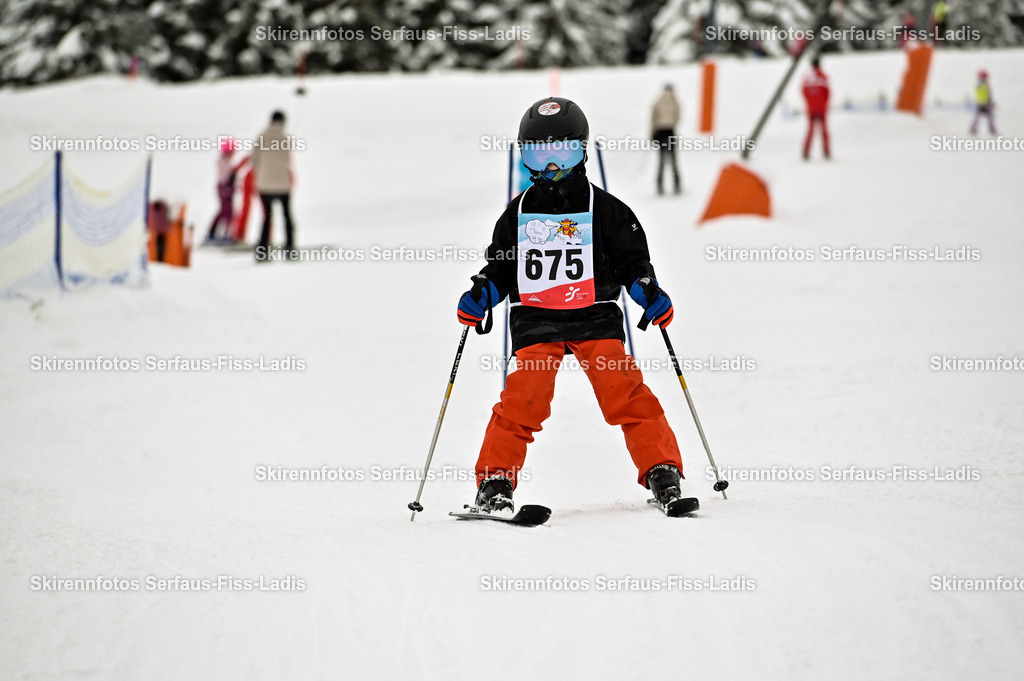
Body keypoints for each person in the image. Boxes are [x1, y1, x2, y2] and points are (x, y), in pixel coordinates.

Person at [456, 96, 688, 516]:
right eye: (538, 155)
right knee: (523, 400)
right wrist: (483, 293)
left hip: (594, 317)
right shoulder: (518, 213)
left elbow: (632, 262)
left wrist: (646, 290)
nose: (551, 166)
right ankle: (495, 481)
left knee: (625, 392)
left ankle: (661, 469)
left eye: (561, 153)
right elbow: (502, 267)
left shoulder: (607, 210)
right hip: (537, 320)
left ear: (582, 151)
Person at [251, 110, 296, 260]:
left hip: (264, 185)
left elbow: (254, 160)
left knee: (267, 218)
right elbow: (288, 158)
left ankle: (262, 251)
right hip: (283, 185)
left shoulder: (261, 136)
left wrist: (260, 175)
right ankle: (290, 249)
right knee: (287, 217)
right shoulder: (285, 138)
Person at [206, 138, 246, 243]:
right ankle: (225, 235)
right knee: (228, 213)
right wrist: (230, 187)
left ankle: (213, 233)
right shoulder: (224, 163)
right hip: (225, 189)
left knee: (223, 211)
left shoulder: (224, 162)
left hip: (225, 188)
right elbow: (227, 177)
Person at [651, 84, 682, 195]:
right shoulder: (674, 100)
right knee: (673, 160)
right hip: (670, 131)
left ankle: (659, 185)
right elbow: (678, 117)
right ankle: (677, 184)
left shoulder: (658, 100)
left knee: (661, 161)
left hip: (660, 132)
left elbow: (653, 118)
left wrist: (653, 133)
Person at [801, 56, 831, 160]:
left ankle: (806, 152)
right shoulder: (822, 76)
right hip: (822, 107)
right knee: (824, 130)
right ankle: (826, 152)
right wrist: (824, 104)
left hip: (811, 107)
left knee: (810, 130)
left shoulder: (807, 77)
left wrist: (809, 103)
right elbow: (827, 92)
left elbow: (803, 91)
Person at [970, 70, 997, 135]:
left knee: (979, 117)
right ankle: (991, 128)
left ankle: (974, 128)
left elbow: (987, 94)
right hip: (984, 103)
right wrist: (987, 102)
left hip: (981, 103)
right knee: (989, 116)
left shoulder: (980, 85)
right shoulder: (983, 85)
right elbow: (984, 95)